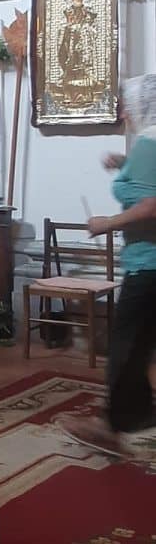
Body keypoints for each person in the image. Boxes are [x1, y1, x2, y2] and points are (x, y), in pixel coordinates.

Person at [62, 74, 156, 451]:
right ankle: (138, 413)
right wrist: (125, 164)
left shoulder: (149, 143)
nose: (124, 113)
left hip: (148, 262)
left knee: (126, 344)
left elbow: (151, 206)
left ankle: (110, 425)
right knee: (141, 343)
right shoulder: (149, 145)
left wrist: (107, 224)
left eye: (127, 105)